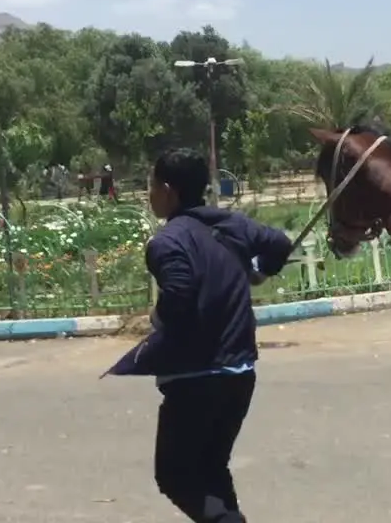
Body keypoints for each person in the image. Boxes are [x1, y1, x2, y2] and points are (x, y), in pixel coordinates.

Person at [104, 148, 293, 522]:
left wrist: (157, 316)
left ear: (169, 191)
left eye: (152, 186)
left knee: (175, 475)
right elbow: (279, 244)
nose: (150, 194)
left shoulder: (166, 242)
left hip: (195, 379)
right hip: (240, 373)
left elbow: (179, 293)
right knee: (210, 468)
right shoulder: (232, 225)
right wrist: (260, 270)